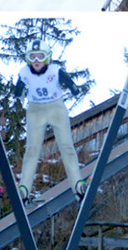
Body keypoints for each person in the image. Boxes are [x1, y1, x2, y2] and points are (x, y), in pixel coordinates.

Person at [14, 40, 85, 205]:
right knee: (32, 149)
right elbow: (18, 88)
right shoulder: (25, 72)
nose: (37, 61)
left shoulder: (54, 70)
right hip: (35, 110)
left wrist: (74, 89)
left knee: (66, 146)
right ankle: (24, 187)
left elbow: (68, 81)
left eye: (40, 57)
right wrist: (18, 93)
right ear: (28, 59)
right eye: (33, 57)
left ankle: (77, 185)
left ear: (47, 59)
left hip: (56, 108)